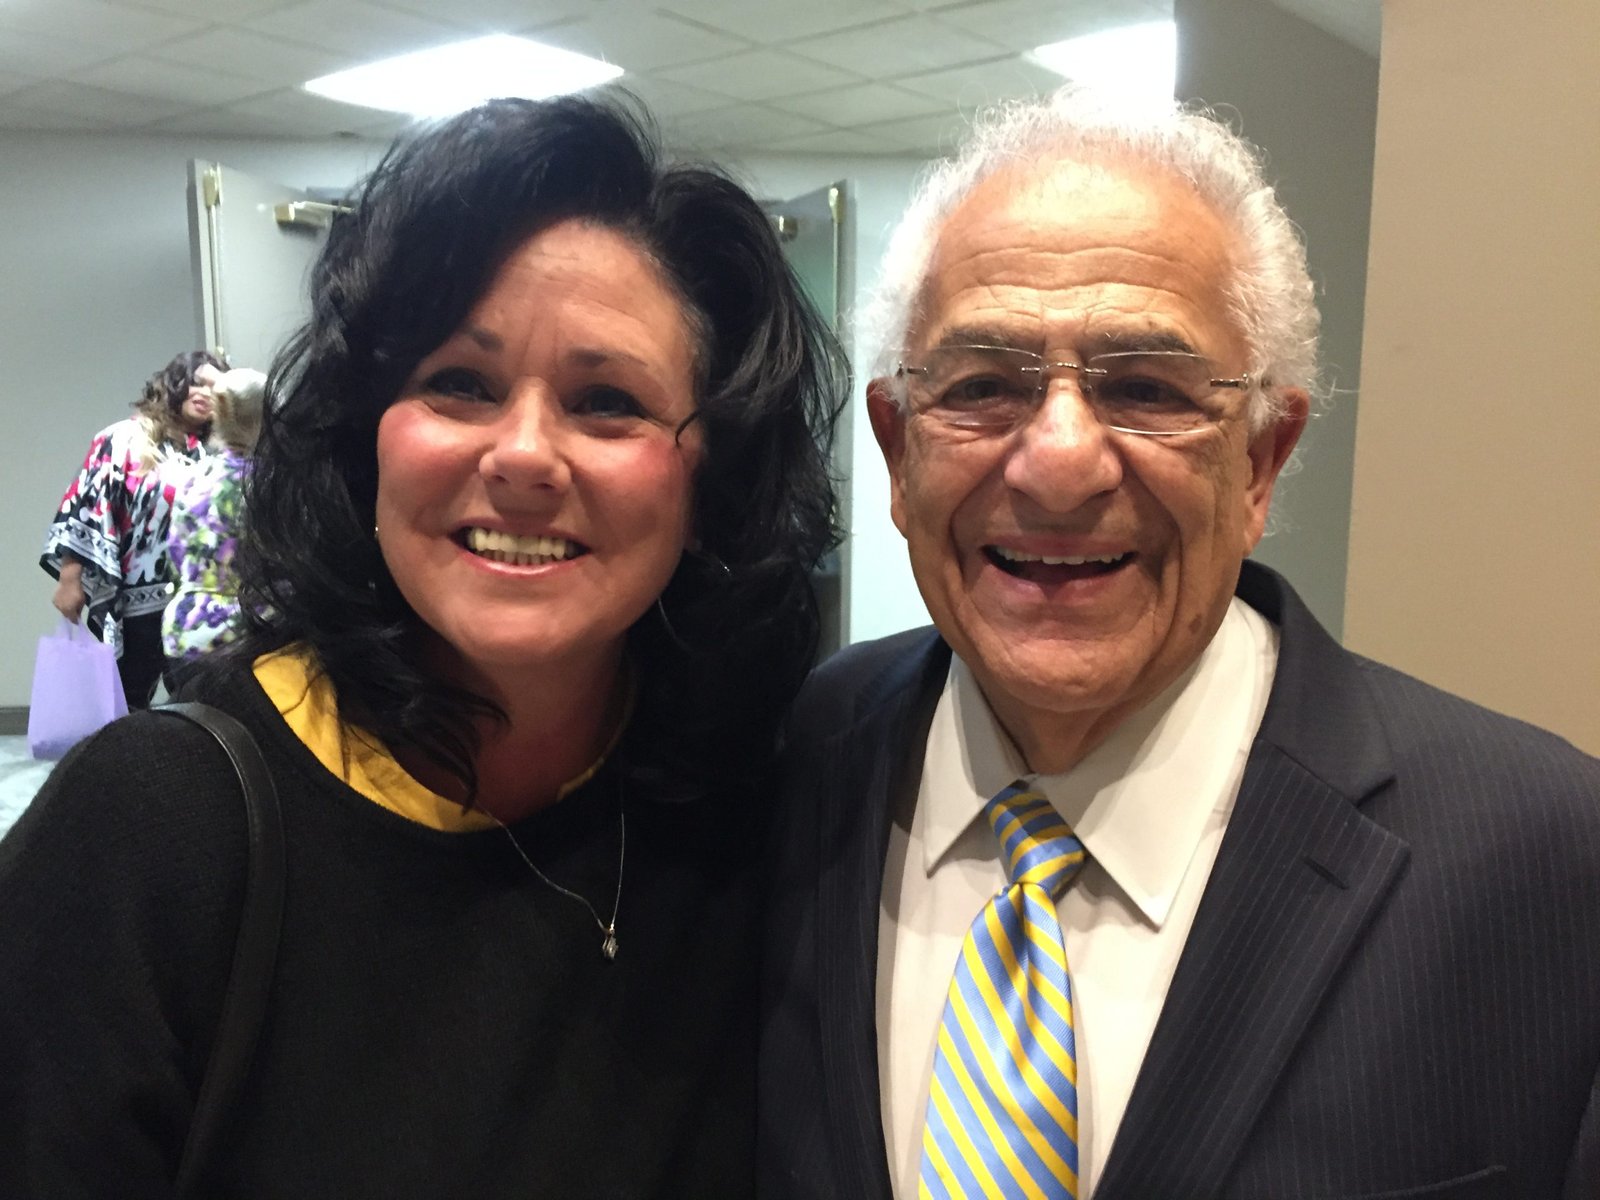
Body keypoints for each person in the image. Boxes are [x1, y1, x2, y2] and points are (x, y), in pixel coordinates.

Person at [760, 86, 1600, 1199]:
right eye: (984, 386)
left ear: (1260, 460)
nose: (1059, 464)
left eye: (1147, 388)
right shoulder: (789, 765)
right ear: (897, 450)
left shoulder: (1548, 861)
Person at [0, 94, 842, 1196]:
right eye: (459, 384)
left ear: (711, 479)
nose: (524, 454)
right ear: (368, 440)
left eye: (606, 401)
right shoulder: (154, 832)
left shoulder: (750, 803)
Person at [41, 350, 225, 707]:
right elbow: (87, 505)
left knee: (199, 702)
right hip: (138, 603)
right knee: (129, 701)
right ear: (175, 385)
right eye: (196, 383)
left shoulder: (215, 453)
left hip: (196, 602)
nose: (205, 394)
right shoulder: (124, 439)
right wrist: (69, 580)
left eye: (215, 389)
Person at [161, 366, 268, 673]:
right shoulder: (268, 484)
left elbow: (176, 555)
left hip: (183, 631)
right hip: (244, 635)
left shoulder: (191, 476)